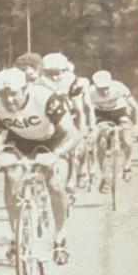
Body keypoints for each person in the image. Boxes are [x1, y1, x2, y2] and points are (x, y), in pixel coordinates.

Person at [0, 68, 81, 264]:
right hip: (20, 141)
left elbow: (74, 134)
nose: (9, 100)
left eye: (14, 94)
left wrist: (55, 155)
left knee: (55, 184)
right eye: (3, 95)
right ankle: (16, 236)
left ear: (25, 89)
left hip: (52, 140)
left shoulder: (45, 98)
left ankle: (60, 238)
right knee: (12, 176)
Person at [39, 52, 91, 190]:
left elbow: (79, 110)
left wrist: (81, 131)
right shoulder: (39, 82)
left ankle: (82, 170)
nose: (55, 77)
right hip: (51, 117)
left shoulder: (73, 82)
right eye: (50, 73)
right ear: (44, 72)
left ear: (65, 71)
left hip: (70, 112)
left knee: (79, 140)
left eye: (59, 73)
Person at [86, 69, 136, 189]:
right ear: (95, 86)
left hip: (120, 112)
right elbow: (87, 111)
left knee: (127, 140)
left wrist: (135, 123)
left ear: (111, 83)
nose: (105, 91)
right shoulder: (90, 92)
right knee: (101, 143)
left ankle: (127, 166)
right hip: (102, 114)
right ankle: (104, 177)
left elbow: (134, 106)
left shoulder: (119, 87)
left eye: (106, 88)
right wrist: (90, 126)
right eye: (101, 89)